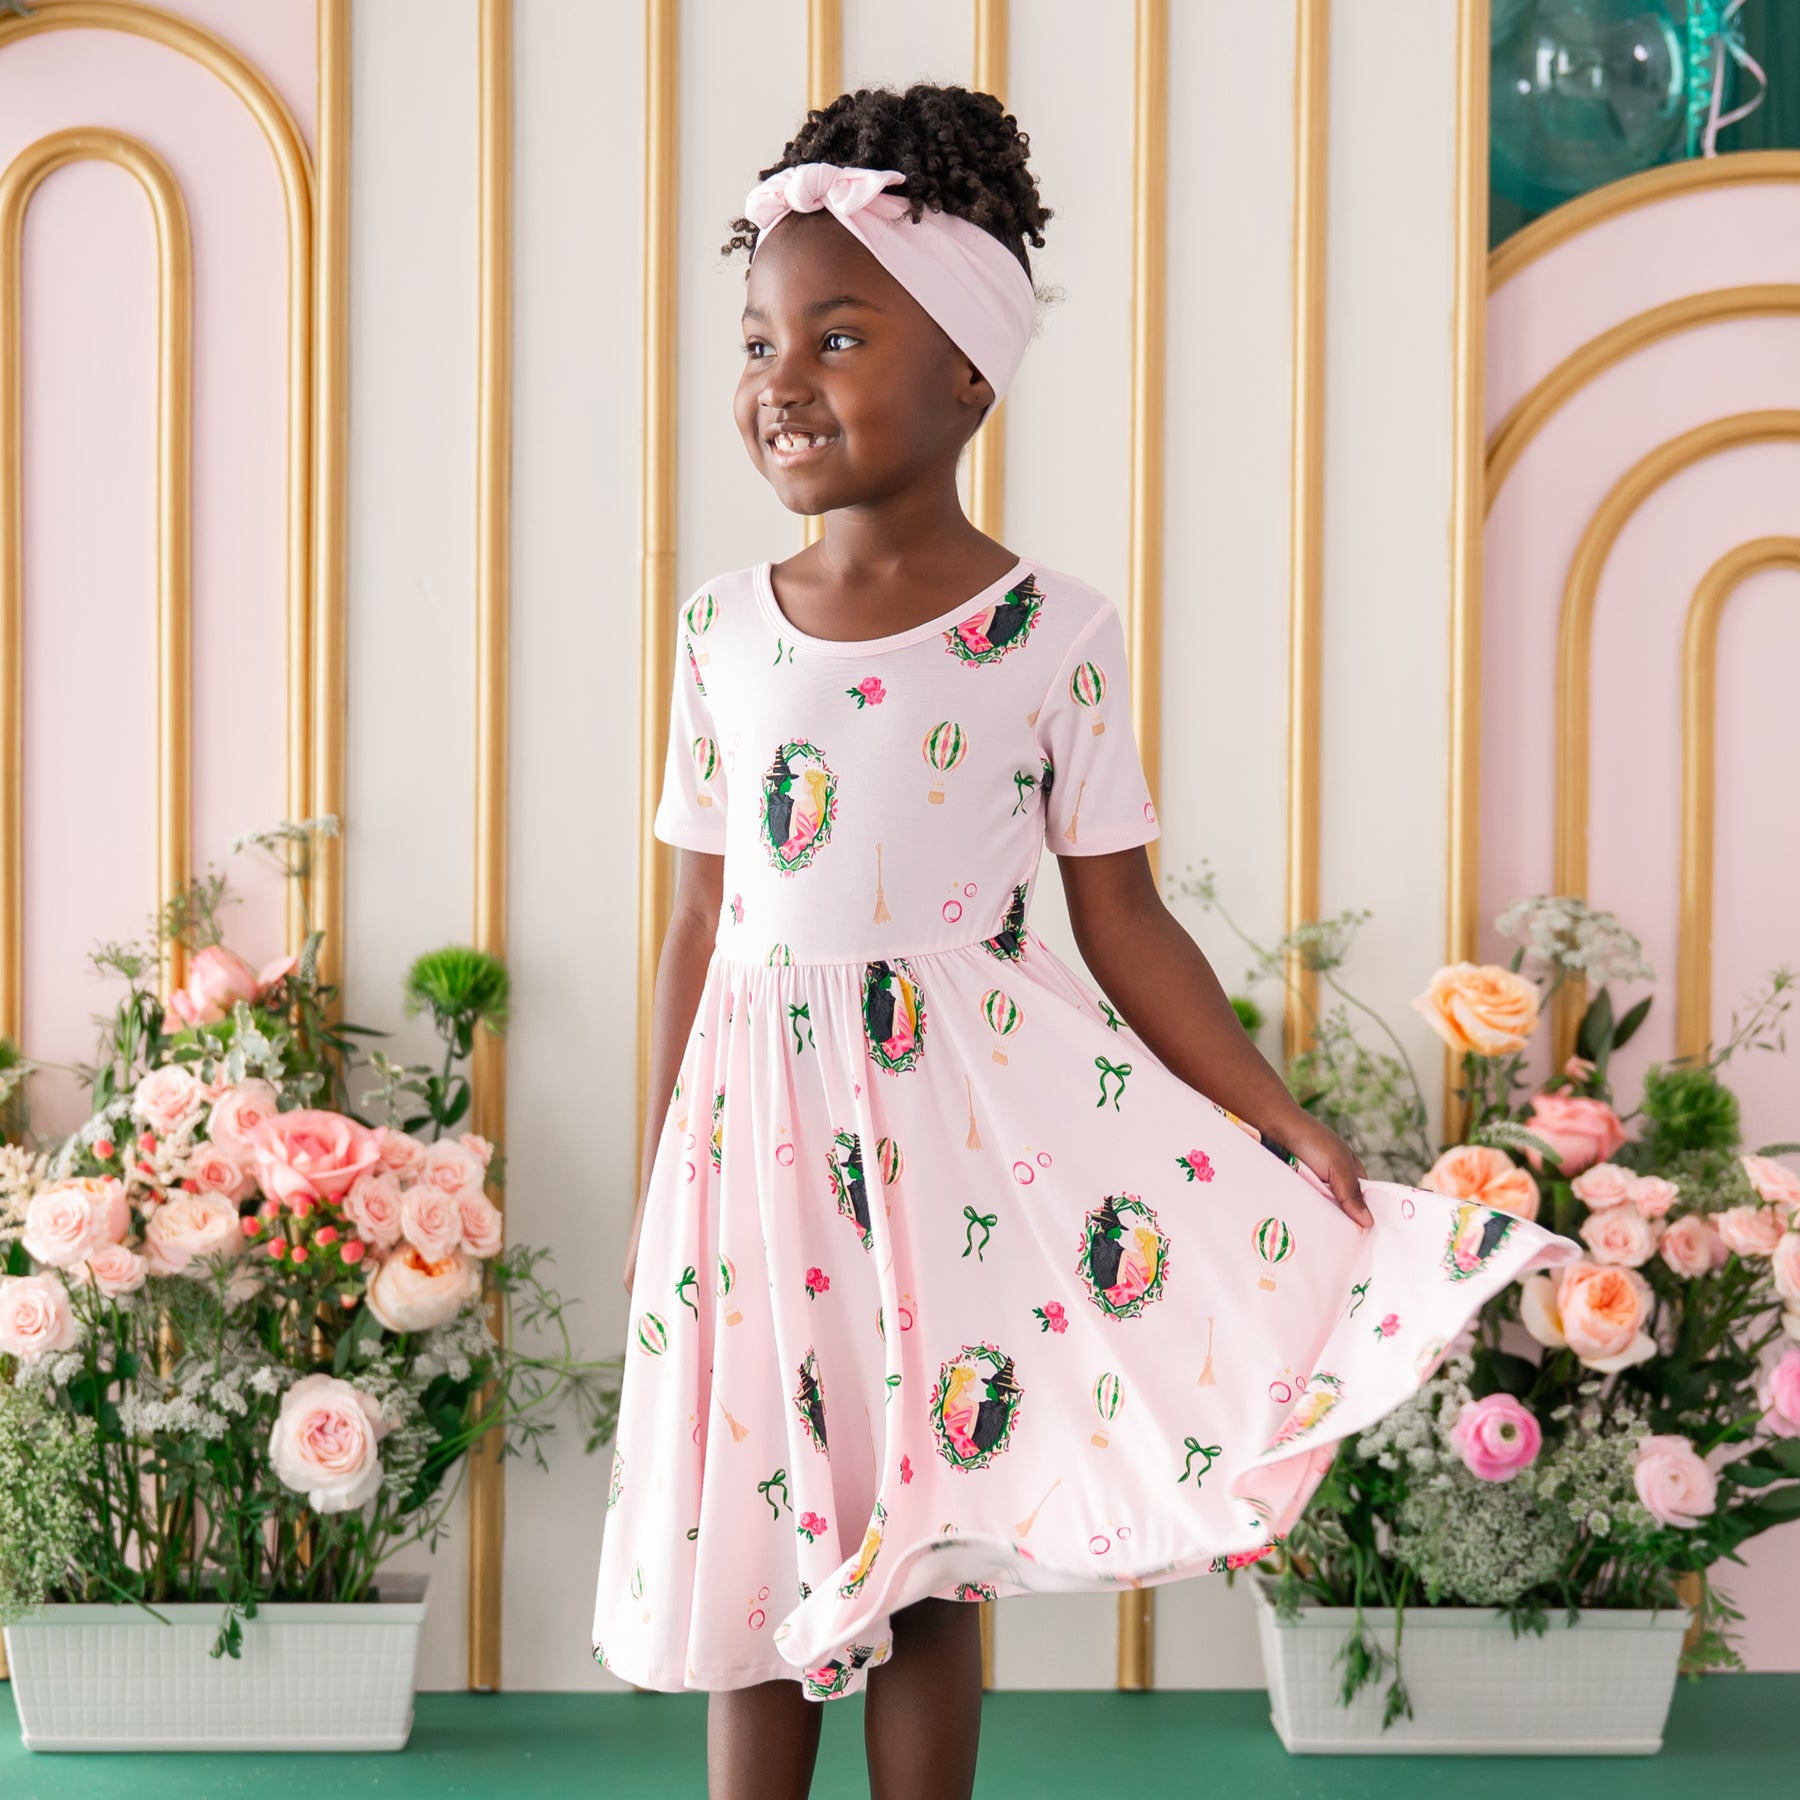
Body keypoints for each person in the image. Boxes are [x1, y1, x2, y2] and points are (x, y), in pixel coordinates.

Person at [591, 82, 1577, 1800]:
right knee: (766, 1536)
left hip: (955, 1138)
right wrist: (661, 1167)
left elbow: (1119, 915)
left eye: (838, 337)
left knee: (927, 1543)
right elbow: (696, 917)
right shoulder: (719, 631)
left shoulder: (1052, 631)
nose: (781, 378)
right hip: (760, 1154)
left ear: (969, 372)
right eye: (759, 340)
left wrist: (1271, 1113)